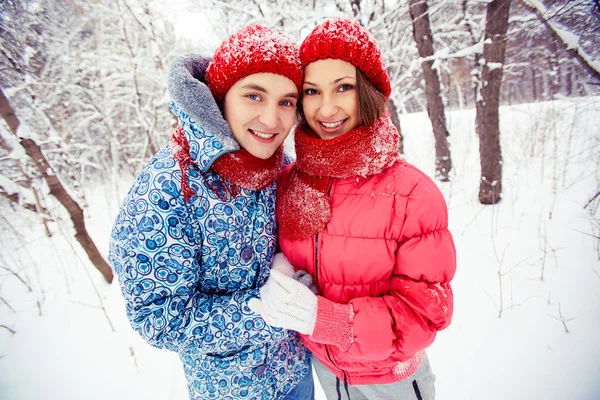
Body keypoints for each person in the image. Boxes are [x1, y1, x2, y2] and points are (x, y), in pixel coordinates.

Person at [248, 19, 456, 400]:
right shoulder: (291, 182)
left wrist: (324, 320)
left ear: (368, 92)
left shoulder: (411, 193)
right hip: (325, 372)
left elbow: (425, 315)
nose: (326, 108)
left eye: (343, 87)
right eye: (312, 91)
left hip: (391, 383)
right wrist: (281, 266)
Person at [108, 25, 314, 400]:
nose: (272, 119)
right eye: (254, 95)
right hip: (230, 389)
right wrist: (261, 312)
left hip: (296, 372)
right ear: (221, 98)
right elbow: (157, 316)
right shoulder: (168, 187)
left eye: (287, 101)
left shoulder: (274, 163)